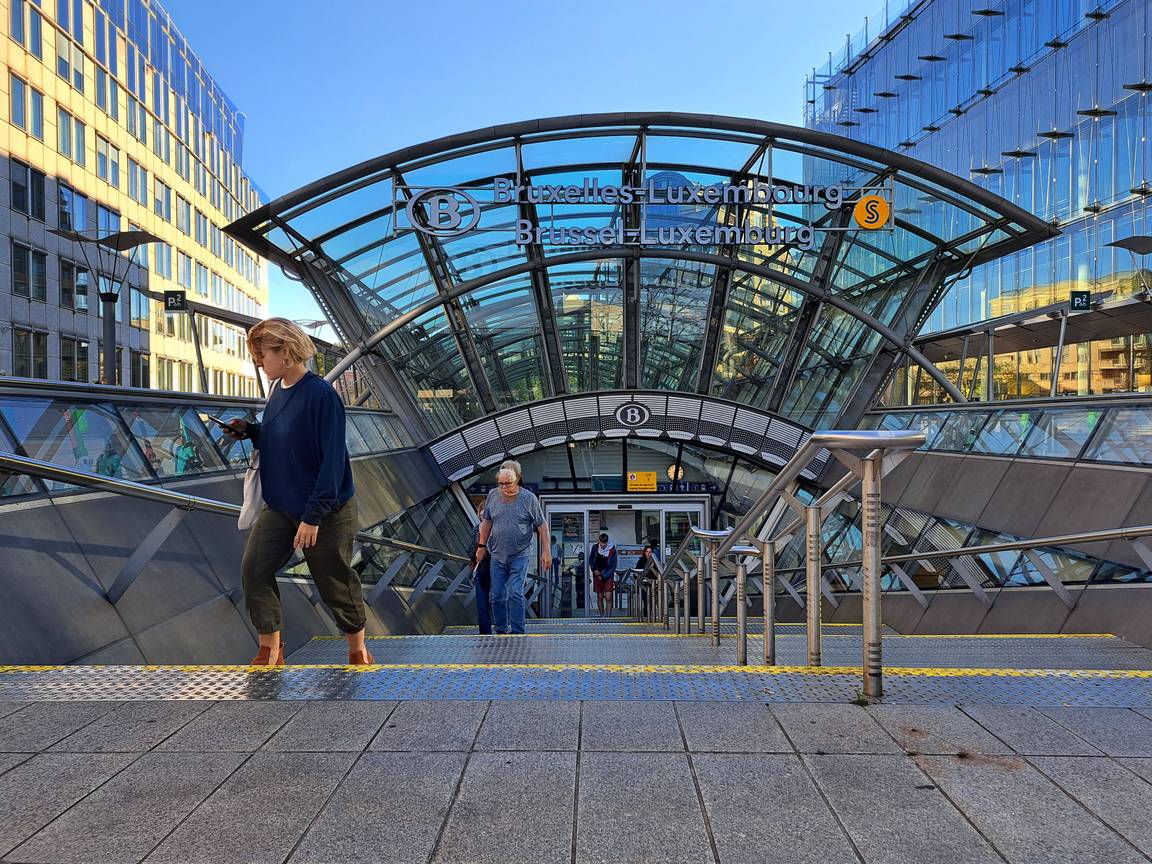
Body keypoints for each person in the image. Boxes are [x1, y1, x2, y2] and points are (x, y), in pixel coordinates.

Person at [223, 317, 373, 666]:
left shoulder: (321, 396)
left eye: (263, 354)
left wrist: (312, 516)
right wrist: (250, 431)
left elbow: (332, 461)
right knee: (254, 569)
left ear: (286, 352)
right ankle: (270, 649)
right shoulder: (278, 392)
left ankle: (357, 649)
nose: (259, 361)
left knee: (333, 582)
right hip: (280, 506)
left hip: (325, 511)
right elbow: (280, 437)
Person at [476, 461, 550, 635]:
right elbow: (486, 521)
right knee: (496, 595)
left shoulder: (528, 498)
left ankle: (517, 632)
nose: (504, 487)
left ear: (518, 479)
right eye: (500, 484)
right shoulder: (493, 495)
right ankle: (501, 630)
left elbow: (542, 525)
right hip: (496, 554)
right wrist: (481, 545)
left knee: (515, 592)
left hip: (520, 554)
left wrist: (546, 551)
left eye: (507, 484)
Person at [470, 500, 493, 635]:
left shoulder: (497, 530)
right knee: (482, 605)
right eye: (481, 515)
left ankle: (501, 629)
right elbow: (472, 550)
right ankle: (485, 635)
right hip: (482, 570)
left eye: (485, 515)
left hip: (496, 569)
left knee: (497, 601)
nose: (482, 517)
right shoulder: (475, 529)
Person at [589, 532, 618, 618]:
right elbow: (591, 560)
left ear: (607, 542)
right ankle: (602, 615)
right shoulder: (595, 547)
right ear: (599, 541)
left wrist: (603, 575)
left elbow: (613, 565)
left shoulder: (612, 550)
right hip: (597, 575)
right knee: (600, 596)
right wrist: (594, 570)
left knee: (608, 596)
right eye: (601, 543)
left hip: (607, 575)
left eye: (604, 543)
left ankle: (608, 616)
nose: (603, 545)